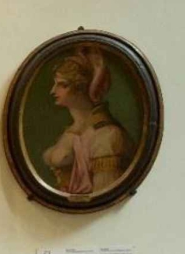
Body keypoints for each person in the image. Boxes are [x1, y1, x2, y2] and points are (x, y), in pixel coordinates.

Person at [42, 43, 136, 196]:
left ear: (82, 88)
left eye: (62, 85)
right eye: (55, 84)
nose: (53, 91)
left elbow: (103, 196)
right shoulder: (72, 131)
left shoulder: (107, 135)